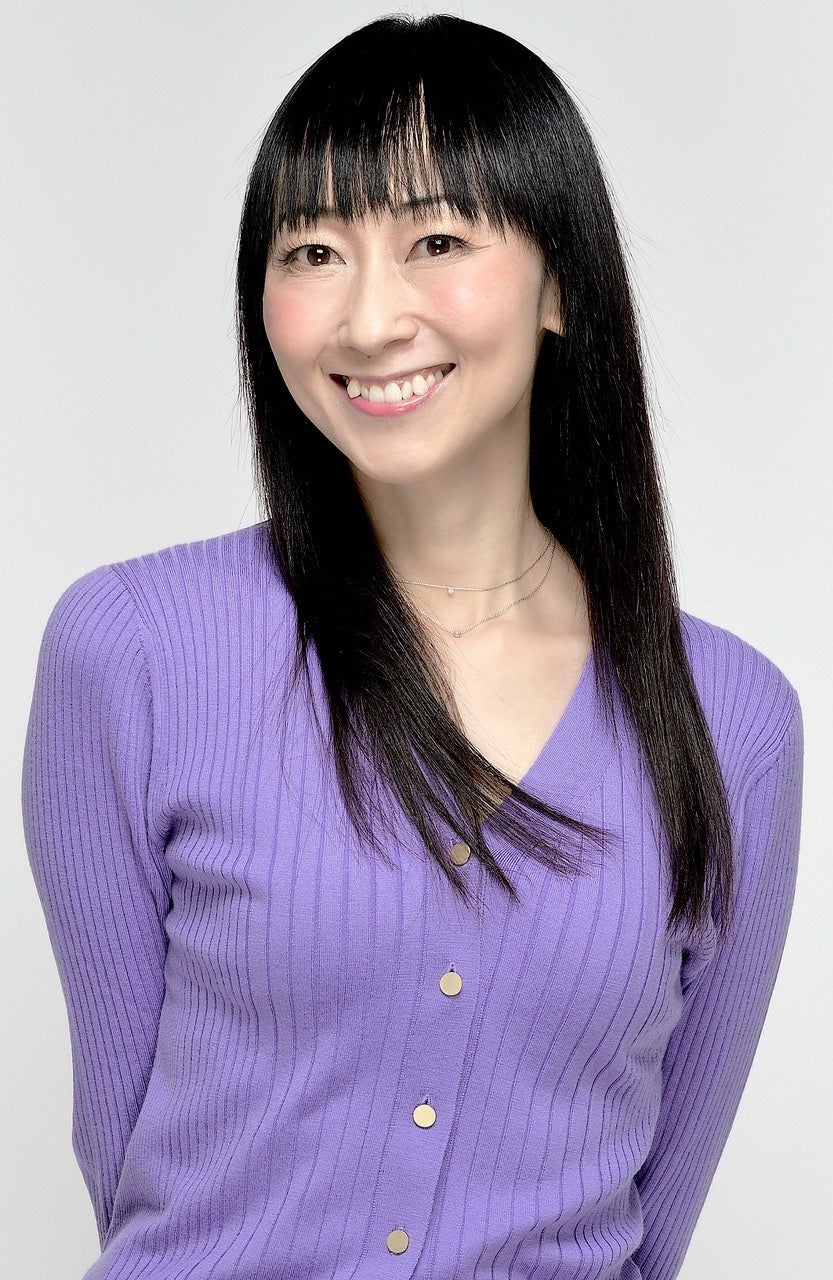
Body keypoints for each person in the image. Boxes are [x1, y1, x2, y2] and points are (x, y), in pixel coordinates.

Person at [21, 12, 803, 1279]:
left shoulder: (730, 717)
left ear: (560, 283)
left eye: (436, 240)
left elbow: (656, 1211)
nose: (368, 317)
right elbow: (129, 1167)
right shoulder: (135, 651)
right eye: (312, 250)